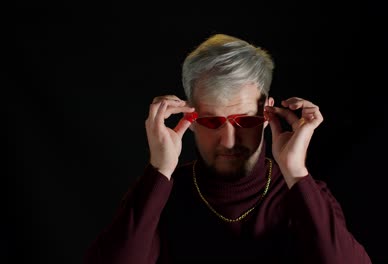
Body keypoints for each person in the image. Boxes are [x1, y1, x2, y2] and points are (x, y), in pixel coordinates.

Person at [83, 33, 372, 264]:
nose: (229, 141)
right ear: (190, 119)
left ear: (267, 113)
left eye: (245, 120)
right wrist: (159, 170)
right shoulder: (158, 194)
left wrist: (296, 172)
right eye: (211, 121)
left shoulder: (305, 195)